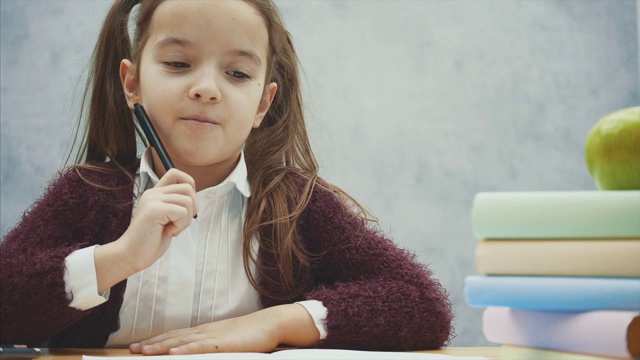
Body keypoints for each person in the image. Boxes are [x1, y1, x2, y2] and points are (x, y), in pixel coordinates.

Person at [0, 0, 453, 355]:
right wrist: (117, 257)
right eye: (178, 64)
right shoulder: (88, 193)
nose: (207, 89)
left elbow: (421, 304)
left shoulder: (296, 204)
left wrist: (273, 324)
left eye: (237, 73)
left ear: (262, 103)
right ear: (131, 84)